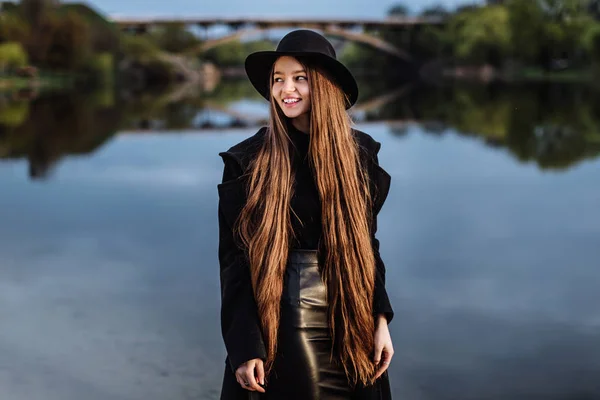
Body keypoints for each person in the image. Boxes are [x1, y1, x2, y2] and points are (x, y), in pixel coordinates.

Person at [217, 29, 394, 400]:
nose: (286, 89)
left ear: (325, 86)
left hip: (353, 314)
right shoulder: (248, 161)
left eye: (300, 78)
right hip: (287, 320)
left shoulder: (359, 154)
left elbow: (368, 243)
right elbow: (235, 260)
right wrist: (246, 344)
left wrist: (380, 318)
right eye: (278, 79)